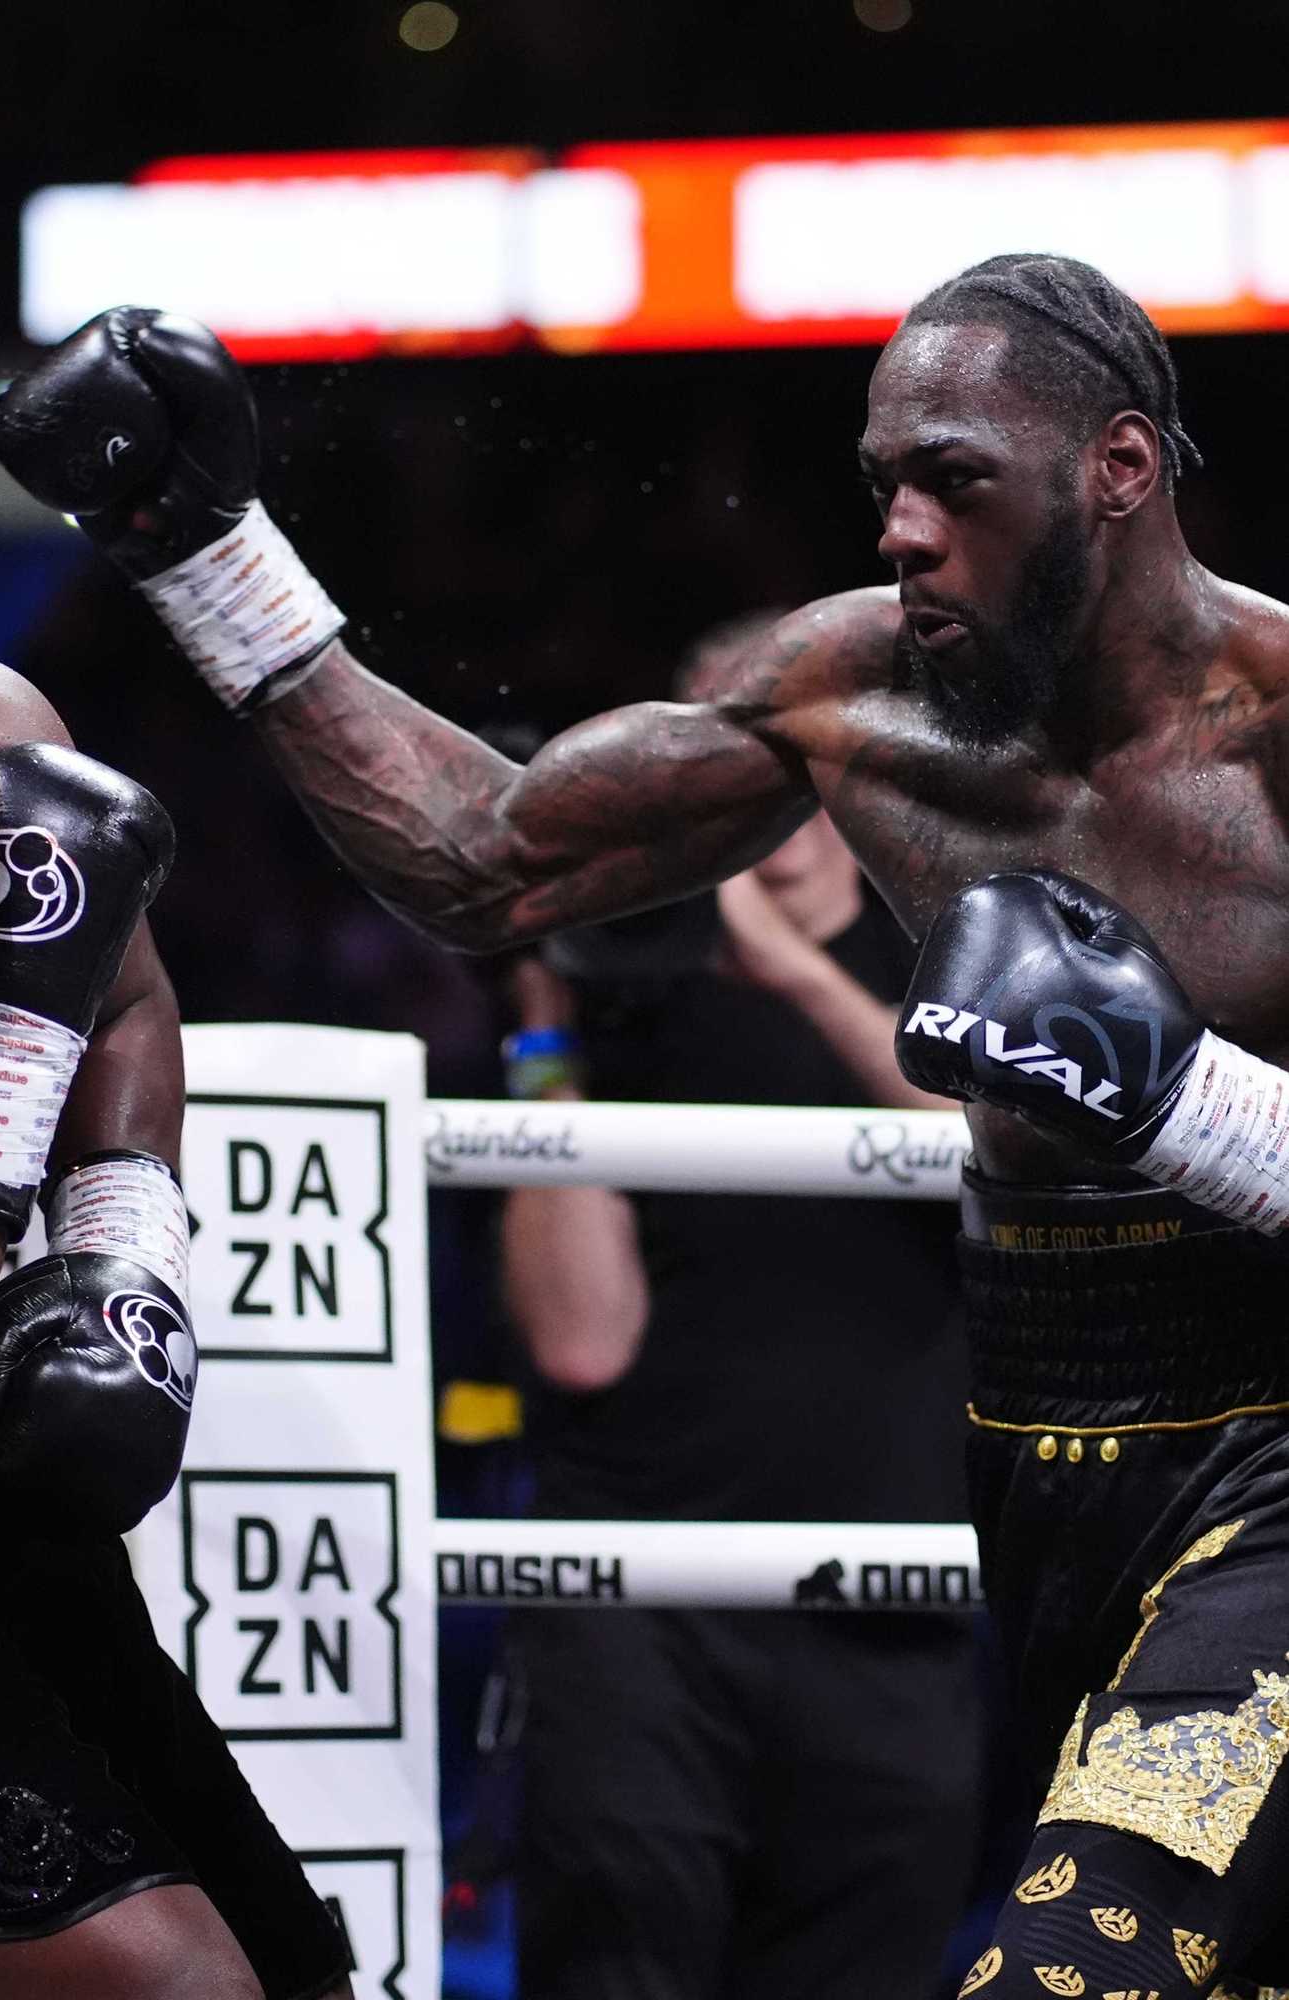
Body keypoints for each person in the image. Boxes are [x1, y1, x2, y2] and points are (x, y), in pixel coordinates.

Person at [0, 253, 1289, 1988]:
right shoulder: (862, 691)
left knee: (1085, 1965)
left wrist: (1188, 1101)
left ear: (1119, 468)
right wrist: (206, 554)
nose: (902, 532)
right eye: (883, 483)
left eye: (954, 481)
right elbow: (488, 860)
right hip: (1048, 1439)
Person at [0, 608, 350, 2000]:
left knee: (293, 1966)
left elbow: (126, 1003)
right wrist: (6, 1044)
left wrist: (120, 1250)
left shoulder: (6, 744)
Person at [497, 622, 979, 1999]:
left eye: (767, 743)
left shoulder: (958, 951)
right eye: (703, 749)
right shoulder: (614, 984)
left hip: (894, 1602)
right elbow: (580, 1338)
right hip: (639, 1601)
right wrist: (545, 1018)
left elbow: (1005, 1157)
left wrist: (795, 973)